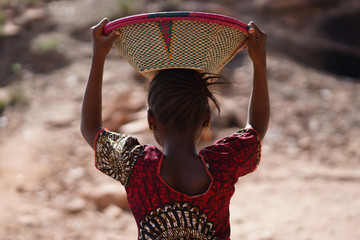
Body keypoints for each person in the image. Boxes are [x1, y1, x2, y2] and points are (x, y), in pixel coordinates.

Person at [81, 18, 269, 240]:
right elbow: (256, 128)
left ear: (151, 120)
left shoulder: (137, 166)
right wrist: (259, 62)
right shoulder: (223, 163)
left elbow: (91, 128)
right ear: (206, 119)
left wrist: (98, 58)